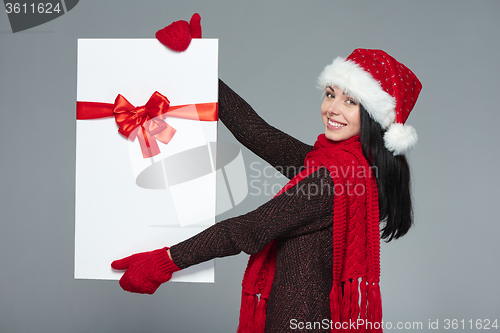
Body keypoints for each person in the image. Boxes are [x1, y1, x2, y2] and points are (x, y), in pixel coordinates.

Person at [111, 18, 422, 333]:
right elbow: (257, 134)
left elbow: (249, 229)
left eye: (350, 101)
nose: (332, 108)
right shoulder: (342, 165)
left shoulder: (331, 181)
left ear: (372, 117)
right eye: (330, 94)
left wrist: (164, 263)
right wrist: (197, 65)